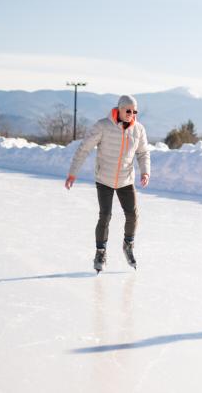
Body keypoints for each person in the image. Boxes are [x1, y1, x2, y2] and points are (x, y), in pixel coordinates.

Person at [65, 95, 151, 272]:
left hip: (126, 180)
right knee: (105, 215)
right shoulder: (102, 126)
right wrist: (73, 173)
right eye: (128, 110)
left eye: (135, 111)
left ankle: (128, 245)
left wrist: (145, 171)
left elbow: (143, 153)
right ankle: (100, 252)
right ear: (119, 109)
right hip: (104, 178)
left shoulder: (139, 130)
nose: (131, 114)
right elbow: (84, 148)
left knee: (132, 215)